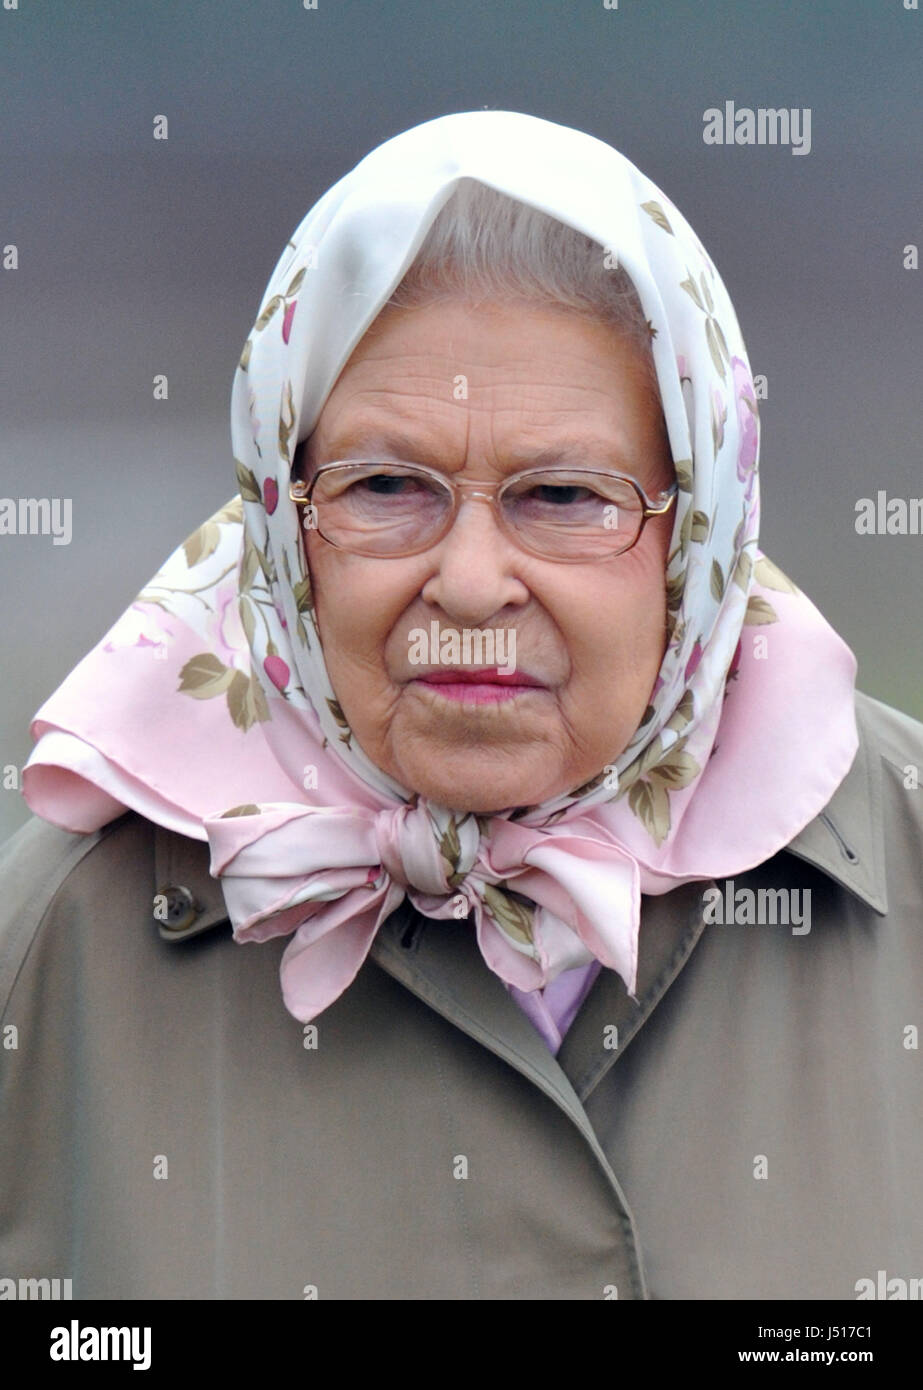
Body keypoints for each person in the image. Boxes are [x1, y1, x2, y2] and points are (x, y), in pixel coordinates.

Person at [1, 111, 921, 1302]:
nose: (474, 580)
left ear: (693, 535)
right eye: (385, 484)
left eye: (564, 494)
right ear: (287, 522)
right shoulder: (58, 943)